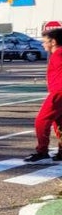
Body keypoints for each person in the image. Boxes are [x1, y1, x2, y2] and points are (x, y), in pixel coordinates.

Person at [24, 27, 62, 162]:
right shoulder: (56, 54)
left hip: (59, 92)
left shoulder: (59, 54)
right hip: (58, 91)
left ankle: (42, 151)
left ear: (53, 42)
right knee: (59, 123)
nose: (42, 44)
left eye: (45, 41)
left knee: (42, 121)